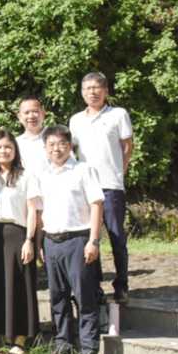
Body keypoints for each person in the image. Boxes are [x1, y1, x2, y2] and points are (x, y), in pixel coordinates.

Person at [35, 125, 105, 354]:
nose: (57, 149)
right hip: (51, 241)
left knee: (85, 297)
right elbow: (39, 211)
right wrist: (40, 242)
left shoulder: (84, 170)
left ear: (70, 145)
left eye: (62, 144)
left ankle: (89, 350)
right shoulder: (42, 174)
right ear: (45, 148)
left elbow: (97, 205)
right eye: (51, 144)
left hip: (78, 240)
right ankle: (63, 344)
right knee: (58, 297)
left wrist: (93, 240)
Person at [69, 72, 134, 304]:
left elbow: (127, 146)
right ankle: (94, 286)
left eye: (96, 88)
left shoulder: (118, 114)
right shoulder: (76, 120)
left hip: (111, 186)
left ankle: (121, 284)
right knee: (89, 237)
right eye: (87, 88)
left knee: (117, 237)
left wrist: (119, 171)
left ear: (105, 91)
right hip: (85, 189)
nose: (92, 92)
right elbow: (71, 151)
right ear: (82, 92)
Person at [0, 131, 41, 354]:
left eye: (8, 147)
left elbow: (32, 211)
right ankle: (4, 338)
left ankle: (20, 340)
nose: (3, 151)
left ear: (15, 151)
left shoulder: (26, 176)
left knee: (19, 286)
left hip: (18, 235)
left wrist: (29, 240)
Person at [15, 96, 49, 172]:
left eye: (35, 111)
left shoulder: (56, 137)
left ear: (43, 113)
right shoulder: (16, 143)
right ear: (19, 116)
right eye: (26, 113)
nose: (31, 116)